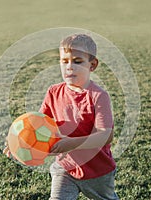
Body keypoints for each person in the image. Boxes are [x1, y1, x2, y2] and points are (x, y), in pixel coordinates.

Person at [39, 34, 119, 200]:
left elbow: (106, 135)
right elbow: (38, 124)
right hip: (65, 168)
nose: (69, 67)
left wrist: (71, 144)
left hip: (97, 172)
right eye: (64, 61)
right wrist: (18, 140)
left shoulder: (98, 96)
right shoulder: (54, 92)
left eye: (77, 61)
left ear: (92, 65)